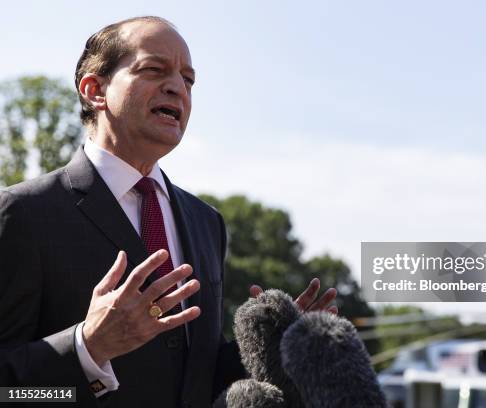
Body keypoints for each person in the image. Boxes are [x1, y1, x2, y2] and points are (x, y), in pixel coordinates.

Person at [0, 16, 336, 407]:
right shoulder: (23, 212)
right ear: (95, 90)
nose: (177, 86)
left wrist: (275, 346)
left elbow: (194, 375)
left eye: (188, 79)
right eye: (154, 69)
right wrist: (87, 347)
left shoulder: (205, 221)